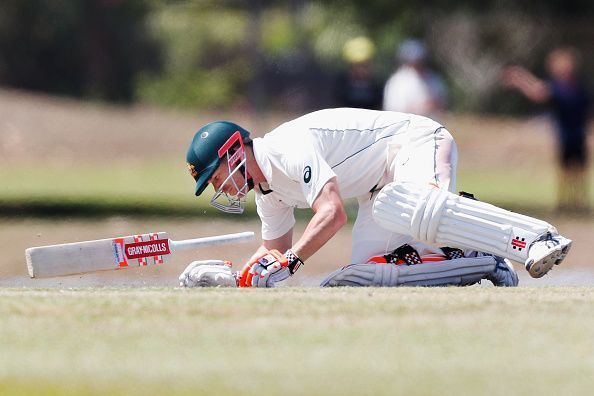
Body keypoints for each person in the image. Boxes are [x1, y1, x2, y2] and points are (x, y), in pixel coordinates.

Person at [179, 108, 572, 289]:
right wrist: (230, 279)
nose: (222, 189)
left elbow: (331, 214)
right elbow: (273, 251)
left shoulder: (283, 148)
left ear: (234, 152)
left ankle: (536, 238)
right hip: (378, 189)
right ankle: (483, 262)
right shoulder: (267, 192)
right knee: (369, 274)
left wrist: (293, 263)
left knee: (411, 204)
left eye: (217, 178)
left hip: (414, 143)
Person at [503, 47, 591, 213]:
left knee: (580, 171)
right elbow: (537, 91)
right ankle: (566, 202)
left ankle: (580, 202)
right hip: (565, 135)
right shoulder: (558, 87)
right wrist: (520, 77)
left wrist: (519, 77)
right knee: (565, 171)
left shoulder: (578, 86)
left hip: (579, 134)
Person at [383, 39, 446, 118]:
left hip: (432, 126)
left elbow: (441, 102)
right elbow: (394, 110)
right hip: (407, 127)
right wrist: (423, 107)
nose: (417, 64)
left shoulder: (433, 78)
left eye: (419, 61)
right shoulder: (397, 81)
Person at [335, 36, 383, 110]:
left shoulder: (377, 87)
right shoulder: (340, 85)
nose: (362, 69)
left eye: (365, 65)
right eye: (358, 65)